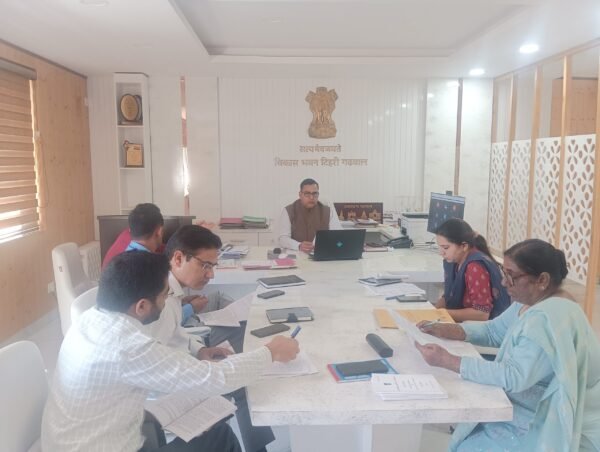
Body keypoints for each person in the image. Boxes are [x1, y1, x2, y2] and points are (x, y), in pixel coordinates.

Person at [41, 251, 299, 452]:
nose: (167, 301)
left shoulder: (90, 319)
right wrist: (270, 352)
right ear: (142, 306)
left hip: (76, 439)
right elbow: (215, 378)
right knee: (220, 436)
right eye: (165, 296)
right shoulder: (126, 345)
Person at [415, 239, 600, 451]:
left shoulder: (547, 319)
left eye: (511, 276)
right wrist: (455, 330)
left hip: (545, 416)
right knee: (471, 430)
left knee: (470, 444)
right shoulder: (533, 301)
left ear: (542, 280)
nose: (504, 282)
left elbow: (514, 377)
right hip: (529, 401)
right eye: (504, 272)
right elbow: (494, 331)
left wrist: (448, 361)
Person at [147, 224, 275, 452]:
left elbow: (176, 335)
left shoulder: (171, 291)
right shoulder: (160, 300)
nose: (211, 274)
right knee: (242, 382)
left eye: (213, 266)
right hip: (171, 391)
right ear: (178, 258)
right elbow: (156, 365)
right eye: (205, 265)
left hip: (184, 370)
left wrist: (200, 350)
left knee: (242, 379)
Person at [102, 203, 203, 324]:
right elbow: (157, 321)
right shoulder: (149, 269)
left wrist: (179, 303)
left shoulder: (124, 258)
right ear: (159, 231)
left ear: (130, 230)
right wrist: (191, 308)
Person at [434, 218, 510, 321]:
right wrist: (432, 312)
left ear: (464, 246)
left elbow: (482, 314)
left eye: (446, 248)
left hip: (486, 327)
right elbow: (448, 297)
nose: (441, 253)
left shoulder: (474, 267)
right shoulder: (454, 262)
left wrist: (441, 314)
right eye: (440, 247)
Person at [277, 178, 342, 252]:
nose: (311, 197)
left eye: (315, 194)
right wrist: (298, 245)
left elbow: (338, 234)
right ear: (300, 195)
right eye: (307, 194)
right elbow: (283, 238)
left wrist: (338, 246)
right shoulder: (288, 210)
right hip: (296, 252)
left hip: (322, 253)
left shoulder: (328, 211)